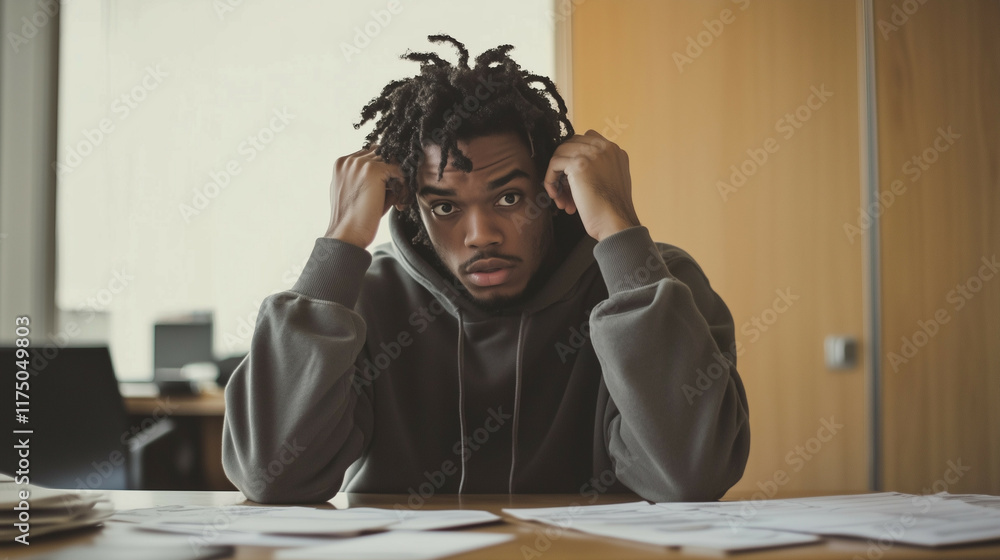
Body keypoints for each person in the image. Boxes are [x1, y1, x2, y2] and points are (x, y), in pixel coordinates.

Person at [221, 34, 750, 504]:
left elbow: (690, 477)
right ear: (411, 204)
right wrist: (340, 244)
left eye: (510, 196)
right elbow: (272, 477)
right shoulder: (364, 296)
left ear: (554, 187)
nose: (481, 235)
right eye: (445, 207)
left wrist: (619, 228)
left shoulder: (657, 281)